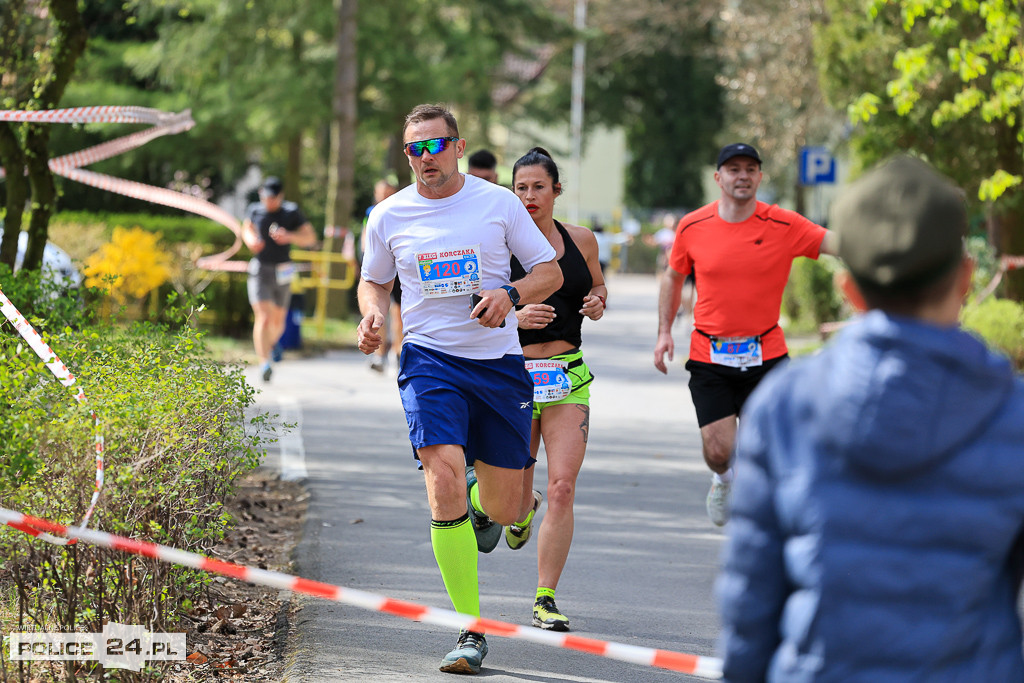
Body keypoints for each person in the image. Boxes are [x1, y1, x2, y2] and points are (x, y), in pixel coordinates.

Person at [716, 154, 1024, 682]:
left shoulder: (784, 405)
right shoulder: (1011, 415)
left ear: (849, 290)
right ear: (966, 278)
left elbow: (751, 603)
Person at [357, 104, 562, 675]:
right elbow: (373, 279)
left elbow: (549, 270)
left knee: (506, 504)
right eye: (414, 150)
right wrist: (372, 315)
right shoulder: (388, 215)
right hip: (428, 360)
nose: (425, 158)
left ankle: (500, 505)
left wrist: (512, 295)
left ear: (458, 146)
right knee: (441, 477)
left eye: (435, 146)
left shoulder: (497, 203)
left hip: (497, 364)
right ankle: (470, 631)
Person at [653, 143, 835, 526]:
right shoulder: (693, 225)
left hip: (766, 354)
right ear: (718, 178)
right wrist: (664, 332)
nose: (742, 176)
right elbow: (674, 276)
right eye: (733, 169)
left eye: (750, 169)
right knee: (720, 450)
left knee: (759, 450)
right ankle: (722, 479)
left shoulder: (785, 225)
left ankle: (756, 526)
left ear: (760, 177)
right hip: (709, 354)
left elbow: (837, 244)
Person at [506, 147, 607, 632]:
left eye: (538, 187)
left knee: (563, 486)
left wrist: (596, 302)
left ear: (556, 191)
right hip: (513, 378)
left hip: (567, 375)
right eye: (521, 187)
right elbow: (468, 309)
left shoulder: (581, 240)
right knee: (514, 488)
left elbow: (599, 287)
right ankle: (517, 511)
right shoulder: (497, 244)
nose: (529, 196)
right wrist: (515, 314)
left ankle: (545, 597)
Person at [242, 176, 317, 382]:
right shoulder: (255, 210)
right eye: (266, 198)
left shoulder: (291, 212)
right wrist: (251, 241)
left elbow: (310, 237)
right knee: (263, 317)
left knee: (278, 321)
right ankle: (264, 362)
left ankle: (272, 344)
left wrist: (290, 237)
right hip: (260, 269)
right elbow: (246, 228)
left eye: (273, 198)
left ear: (280, 196)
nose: (269, 202)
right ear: (261, 195)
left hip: (283, 270)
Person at [363, 178, 401, 373]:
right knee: (379, 313)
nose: (385, 196)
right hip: (379, 267)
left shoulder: (401, 210)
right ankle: (379, 355)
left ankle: (397, 352)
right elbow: (364, 237)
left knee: (398, 312)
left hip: (399, 269)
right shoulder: (372, 213)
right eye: (382, 192)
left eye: (389, 192)